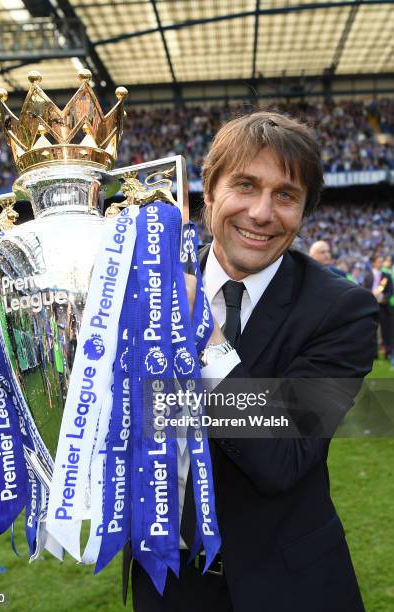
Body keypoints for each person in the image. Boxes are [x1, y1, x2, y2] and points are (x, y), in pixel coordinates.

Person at [124, 111, 378, 612]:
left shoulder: (342, 312)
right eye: (245, 185)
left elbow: (281, 458)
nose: (262, 213)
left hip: (290, 587)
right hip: (168, 585)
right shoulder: (145, 289)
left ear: (304, 211)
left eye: (285, 195)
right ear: (208, 193)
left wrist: (205, 331)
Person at [363, 254, 393, 358]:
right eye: (379, 261)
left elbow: (390, 292)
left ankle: (388, 351)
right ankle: (373, 353)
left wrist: (383, 297)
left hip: (384, 307)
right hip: (372, 306)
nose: (381, 263)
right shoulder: (367, 275)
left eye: (382, 261)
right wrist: (372, 294)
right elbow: (364, 290)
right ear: (374, 263)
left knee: (386, 330)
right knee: (372, 330)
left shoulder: (387, 276)